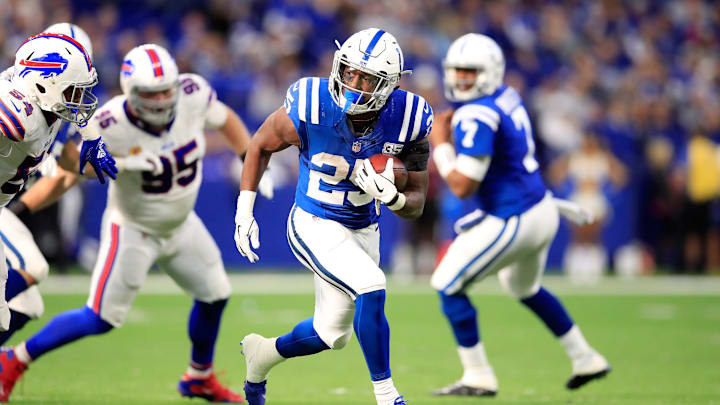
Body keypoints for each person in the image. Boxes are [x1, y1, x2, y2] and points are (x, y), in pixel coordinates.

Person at [0, 43, 259, 403]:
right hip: (133, 228)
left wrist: (249, 157)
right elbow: (66, 175)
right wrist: (20, 209)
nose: (164, 99)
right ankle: (14, 359)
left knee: (215, 296)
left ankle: (199, 377)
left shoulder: (192, 92)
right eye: (153, 93)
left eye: (167, 88)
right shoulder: (108, 123)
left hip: (182, 224)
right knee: (100, 317)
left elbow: (226, 119)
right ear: (132, 92)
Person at [234, 28, 433, 405]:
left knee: (331, 334)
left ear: (388, 85)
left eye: (367, 78)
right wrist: (245, 210)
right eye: (349, 72)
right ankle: (387, 396)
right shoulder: (311, 102)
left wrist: (392, 197)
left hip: (362, 226)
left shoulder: (409, 117)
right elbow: (260, 143)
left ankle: (262, 354)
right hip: (313, 220)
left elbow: (417, 201)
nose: (353, 83)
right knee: (371, 285)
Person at [428, 33, 610, 397]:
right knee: (523, 287)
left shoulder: (477, 113)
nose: (461, 80)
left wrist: (441, 145)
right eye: (457, 72)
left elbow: (464, 186)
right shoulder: (507, 95)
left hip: (517, 217)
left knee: (446, 283)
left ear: (490, 72)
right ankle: (585, 357)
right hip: (541, 207)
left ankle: (478, 374)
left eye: (470, 72)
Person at [0, 31, 115, 334]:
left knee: (13, 312)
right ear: (44, 82)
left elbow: (74, 116)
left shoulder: (46, 101)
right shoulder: (18, 114)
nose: (80, 101)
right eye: (73, 91)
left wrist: (93, 139)